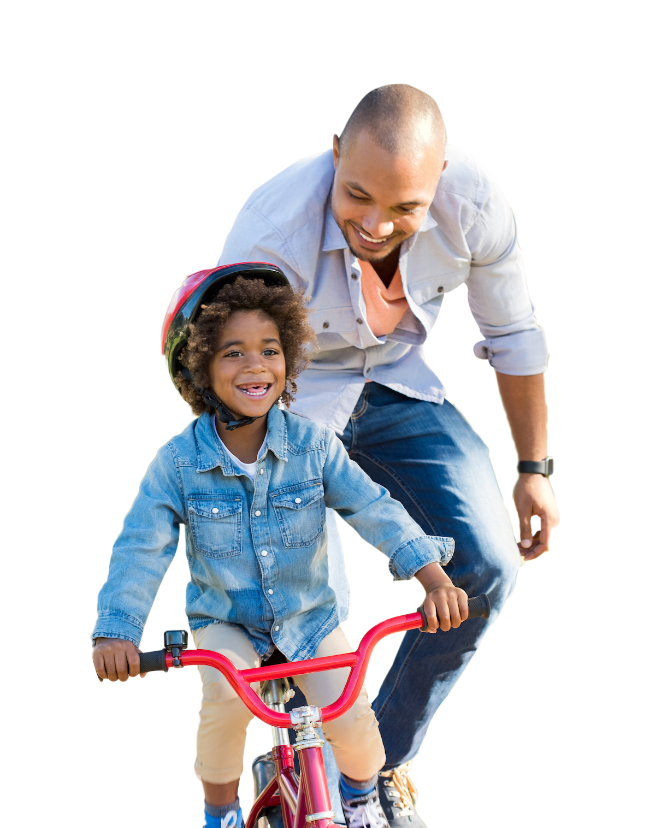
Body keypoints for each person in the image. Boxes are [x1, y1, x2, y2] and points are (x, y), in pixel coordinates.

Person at [215, 84, 562, 827]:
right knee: (298, 591)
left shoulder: (475, 204)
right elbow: (232, 381)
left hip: (401, 384)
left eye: (403, 208)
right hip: (288, 397)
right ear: (334, 152)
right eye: (357, 196)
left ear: (439, 179)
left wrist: (533, 470)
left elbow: (514, 338)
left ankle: (376, 768)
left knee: (491, 566)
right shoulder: (272, 230)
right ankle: (295, 746)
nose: (376, 225)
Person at [90, 265, 472, 828]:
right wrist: (117, 632)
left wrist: (433, 577)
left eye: (270, 349)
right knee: (222, 701)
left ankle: (362, 797)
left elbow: (373, 508)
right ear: (197, 371)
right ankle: (218, 811)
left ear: (289, 355)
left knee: (356, 720)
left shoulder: (313, 446)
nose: (256, 367)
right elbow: (140, 550)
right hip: (227, 624)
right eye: (232, 353)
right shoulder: (178, 463)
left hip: (309, 617)